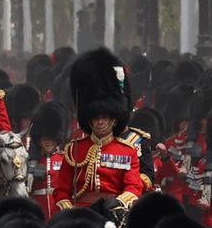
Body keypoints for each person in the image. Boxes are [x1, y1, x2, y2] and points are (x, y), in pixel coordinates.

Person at [53, 48, 145, 211]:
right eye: (95, 117)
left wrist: (119, 202)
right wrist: (68, 208)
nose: (100, 121)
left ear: (114, 119)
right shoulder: (74, 149)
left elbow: (133, 187)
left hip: (113, 211)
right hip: (80, 213)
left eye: (104, 117)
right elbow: (61, 190)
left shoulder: (128, 151)